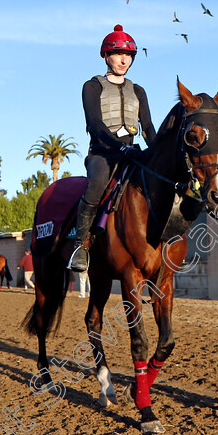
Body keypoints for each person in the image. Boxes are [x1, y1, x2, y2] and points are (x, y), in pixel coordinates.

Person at [67, 24, 157, 272]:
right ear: (106, 56)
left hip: (132, 152)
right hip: (102, 154)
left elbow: (148, 127)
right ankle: (80, 246)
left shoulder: (138, 91)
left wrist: (157, 151)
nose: (123, 59)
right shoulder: (92, 86)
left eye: (128, 55)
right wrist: (118, 147)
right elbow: (95, 124)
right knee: (96, 185)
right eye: (118, 54)